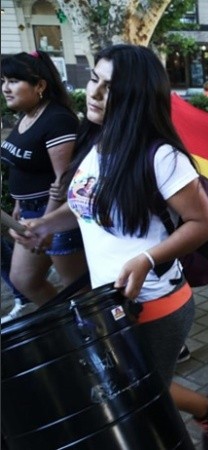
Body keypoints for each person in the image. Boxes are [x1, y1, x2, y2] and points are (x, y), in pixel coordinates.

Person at [13, 44, 208, 450]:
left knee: (141, 399)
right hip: (108, 301)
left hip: (156, 303)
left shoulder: (162, 157)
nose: (94, 93)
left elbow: (202, 224)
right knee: (133, 389)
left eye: (110, 87)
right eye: (93, 80)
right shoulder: (98, 144)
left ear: (136, 97)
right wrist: (45, 225)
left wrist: (147, 258)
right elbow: (85, 205)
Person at [1, 50, 87, 311]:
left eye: (13, 81)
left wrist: (48, 224)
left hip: (54, 214)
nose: (5, 88)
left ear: (39, 86)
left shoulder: (57, 120)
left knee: (80, 292)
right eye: (3, 81)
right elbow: (23, 165)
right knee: (23, 280)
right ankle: (68, 325)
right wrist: (19, 202)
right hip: (29, 213)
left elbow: (64, 181)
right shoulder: (27, 115)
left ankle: (97, 331)